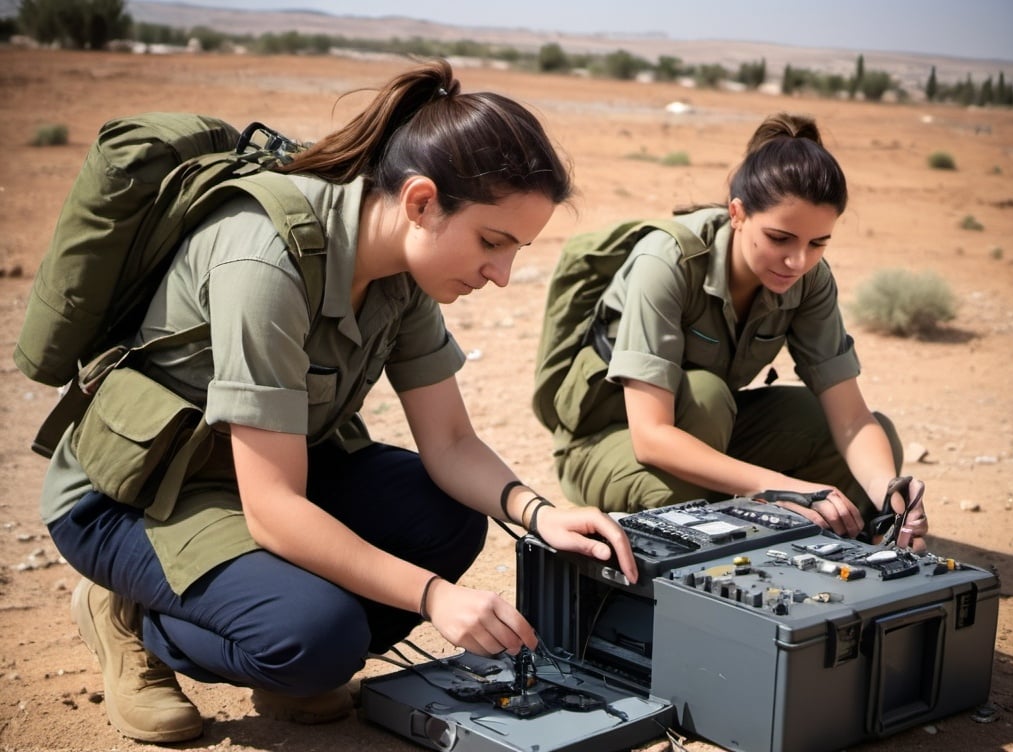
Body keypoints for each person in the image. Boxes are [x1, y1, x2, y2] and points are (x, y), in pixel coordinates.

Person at [40, 59, 637, 744]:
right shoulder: (264, 261)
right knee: (318, 640)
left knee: (449, 519)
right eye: (491, 243)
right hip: (135, 499)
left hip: (258, 472)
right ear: (419, 202)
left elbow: (449, 443)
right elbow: (273, 510)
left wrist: (542, 514)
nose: (500, 276)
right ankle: (137, 621)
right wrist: (433, 597)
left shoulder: (401, 269)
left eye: (515, 252)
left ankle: (276, 638)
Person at [548, 112, 927, 550]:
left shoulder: (809, 280)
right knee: (702, 422)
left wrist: (892, 497)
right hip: (611, 443)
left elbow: (852, 419)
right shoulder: (667, 261)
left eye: (817, 243)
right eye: (780, 238)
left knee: (859, 434)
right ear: (738, 213)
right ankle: (718, 522)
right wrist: (778, 486)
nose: (798, 261)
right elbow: (651, 436)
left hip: (711, 431)